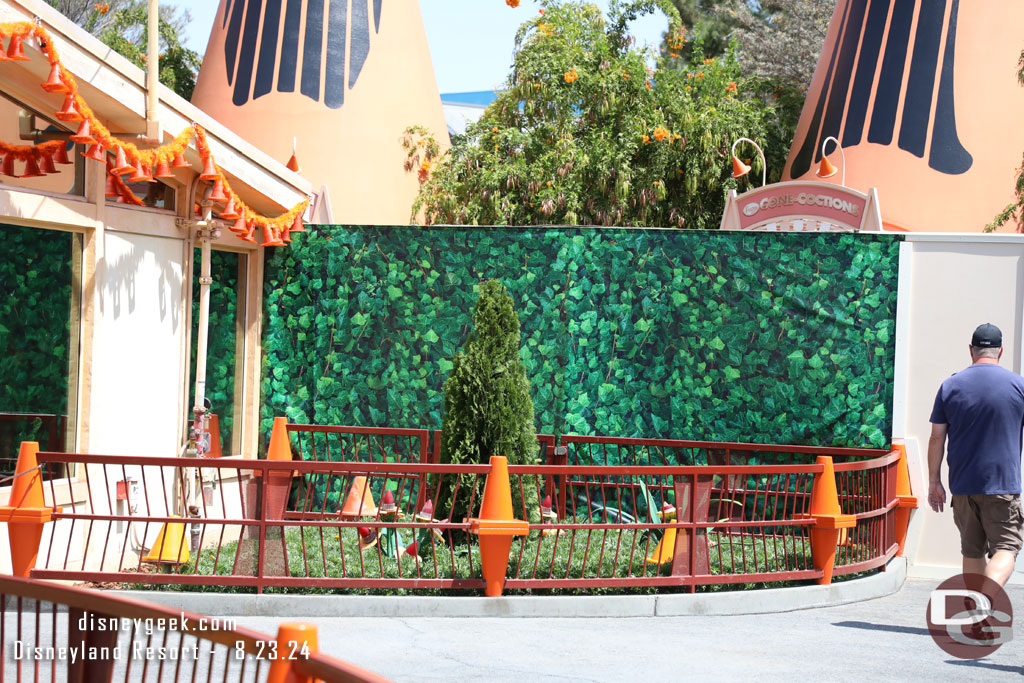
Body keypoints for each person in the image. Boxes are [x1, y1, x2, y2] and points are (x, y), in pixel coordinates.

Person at [928, 323, 1024, 586]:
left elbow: (937, 437)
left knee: (972, 551)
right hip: (1002, 485)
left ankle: (976, 617)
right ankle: (985, 597)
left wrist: (934, 482)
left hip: (963, 486)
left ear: (971, 350)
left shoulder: (950, 386)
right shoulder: (1019, 385)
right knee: (1006, 548)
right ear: (1000, 351)